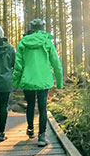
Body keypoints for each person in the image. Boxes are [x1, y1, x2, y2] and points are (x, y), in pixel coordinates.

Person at [13, 18, 63, 147]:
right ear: (42, 28)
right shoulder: (47, 43)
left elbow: (18, 65)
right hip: (44, 80)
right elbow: (56, 64)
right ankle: (42, 136)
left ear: (31, 28)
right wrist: (60, 82)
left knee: (30, 105)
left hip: (28, 80)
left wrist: (16, 81)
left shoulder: (23, 42)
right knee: (42, 108)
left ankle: (30, 130)